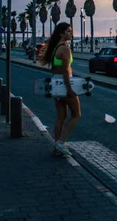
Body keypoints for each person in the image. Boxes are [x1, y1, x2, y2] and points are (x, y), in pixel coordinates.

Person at [40, 22, 80, 157]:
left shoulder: (54, 48)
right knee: (76, 115)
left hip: (55, 84)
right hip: (65, 83)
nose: (71, 33)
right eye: (68, 31)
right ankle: (61, 142)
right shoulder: (65, 49)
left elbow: (54, 70)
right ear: (61, 33)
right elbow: (65, 70)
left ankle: (57, 146)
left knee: (61, 117)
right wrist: (69, 89)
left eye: (71, 31)